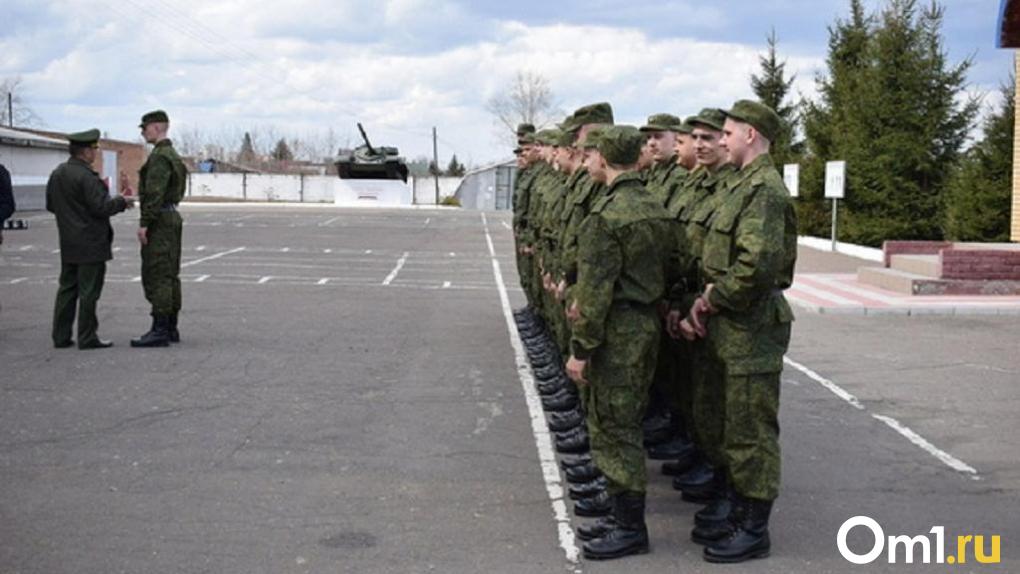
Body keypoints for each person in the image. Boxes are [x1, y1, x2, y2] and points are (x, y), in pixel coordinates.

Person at [683, 100, 797, 563]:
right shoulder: (740, 186)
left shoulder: (764, 191)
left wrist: (710, 299)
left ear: (750, 135)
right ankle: (735, 506)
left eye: (727, 133)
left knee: (751, 431)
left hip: (751, 329)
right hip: (729, 326)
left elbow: (756, 268)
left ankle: (754, 527)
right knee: (726, 423)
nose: (719, 139)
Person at [564, 125, 679, 560]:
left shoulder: (606, 216)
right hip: (646, 324)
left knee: (616, 426)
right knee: (625, 420)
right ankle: (618, 511)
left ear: (607, 159)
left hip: (617, 331)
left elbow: (593, 298)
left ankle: (629, 527)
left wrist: (581, 351)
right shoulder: (655, 206)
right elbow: (676, 266)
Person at [46, 129, 134, 349]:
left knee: (67, 288)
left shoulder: (58, 173)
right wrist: (122, 202)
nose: (95, 153)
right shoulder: (86, 176)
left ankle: (60, 335)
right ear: (85, 152)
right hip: (91, 243)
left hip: (68, 241)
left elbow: (50, 205)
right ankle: (87, 337)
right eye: (94, 149)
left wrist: (71, 217)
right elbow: (101, 207)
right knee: (88, 291)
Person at [128, 110, 187, 347]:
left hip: (161, 219)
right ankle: (170, 327)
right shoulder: (172, 154)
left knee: (158, 273)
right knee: (170, 273)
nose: (143, 132)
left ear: (156, 128)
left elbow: (154, 193)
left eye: (145, 128)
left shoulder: (160, 157)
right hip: (170, 216)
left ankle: (160, 329)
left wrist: (145, 223)